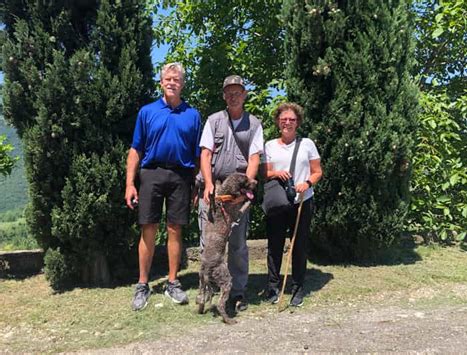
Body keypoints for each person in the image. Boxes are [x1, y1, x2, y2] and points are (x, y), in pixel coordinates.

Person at [125, 62, 201, 311]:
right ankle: (142, 285)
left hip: (181, 175)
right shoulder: (147, 112)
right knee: (148, 228)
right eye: (168, 79)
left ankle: (172, 282)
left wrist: (197, 184)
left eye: (176, 79)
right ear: (161, 82)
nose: (172, 83)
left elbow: (199, 155)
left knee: (175, 229)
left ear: (182, 84)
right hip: (152, 173)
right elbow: (135, 149)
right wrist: (130, 184)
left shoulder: (193, 114)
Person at [198, 75, 264, 312]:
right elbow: (205, 154)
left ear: (244, 95)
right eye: (229, 92)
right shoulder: (213, 121)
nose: (233, 96)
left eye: (238, 92)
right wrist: (207, 184)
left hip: (237, 194)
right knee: (209, 243)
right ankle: (209, 289)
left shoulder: (254, 124)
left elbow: (254, 158)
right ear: (224, 96)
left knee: (237, 244)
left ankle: (236, 292)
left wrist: (246, 186)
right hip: (213, 191)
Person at [262, 102, 322, 307]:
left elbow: (317, 171)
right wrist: (276, 173)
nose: (287, 122)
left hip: (302, 201)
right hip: (279, 202)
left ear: (297, 123)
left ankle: (297, 287)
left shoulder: (307, 144)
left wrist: (307, 183)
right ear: (278, 121)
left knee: (299, 246)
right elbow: (265, 173)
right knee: (275, 245)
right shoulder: (269, 145)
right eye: (284, 119)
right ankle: (273, 286)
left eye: (292, 119)